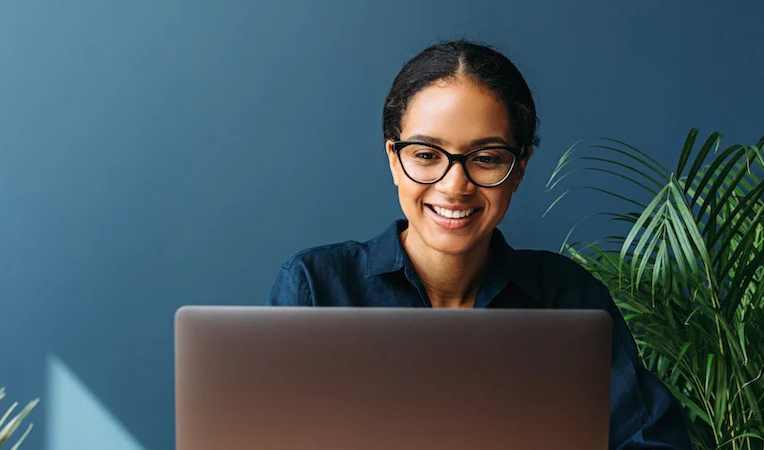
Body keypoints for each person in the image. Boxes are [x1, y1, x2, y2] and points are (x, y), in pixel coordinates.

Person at [266, 39, 692, 450]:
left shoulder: (570, 299)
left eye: (486, 159)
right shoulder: (316, 289)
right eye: (427, 155)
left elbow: (653, 441)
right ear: (394, 159)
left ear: (519, 167)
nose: (455, 186)